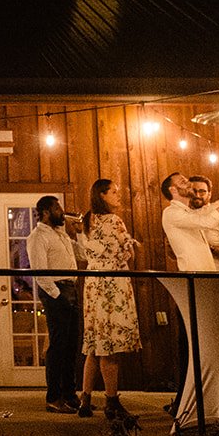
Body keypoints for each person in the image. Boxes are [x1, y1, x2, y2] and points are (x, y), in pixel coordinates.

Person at [159, 168, 219, 416]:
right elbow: (209, 220)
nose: (187, 183)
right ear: (173, 190)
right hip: (194, 286)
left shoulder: (186, 212)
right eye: (182, 182)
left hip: (205, 284)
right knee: (197, 347)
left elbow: (207, 212)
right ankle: (195, 407)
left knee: (207, 345)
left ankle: (211, 402)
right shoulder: (171, 214)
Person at [78, 178, 142, 422]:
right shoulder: (114, 221)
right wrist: (126, 251)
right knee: (110, 346)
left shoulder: (87, 220)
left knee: (94, 343)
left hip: (93, 283)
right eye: (114, 192)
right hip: (112, 283)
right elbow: (129, 252)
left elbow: (88, 250)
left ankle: (85, 399)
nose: (118, 195)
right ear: (102, 195)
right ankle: (111, 401)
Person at [28, 195, 81, 414]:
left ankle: (70, 394)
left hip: (72, 288)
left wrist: (79, 231)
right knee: (58, 346)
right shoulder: (37, 237)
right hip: (56, 291)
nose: (62, 211)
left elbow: (83, 253)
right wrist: (57, 295)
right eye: (58, 208)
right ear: (46, 212)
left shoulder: (61, 234)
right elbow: (40, 272)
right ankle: (53, 397)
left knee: (71, 345)